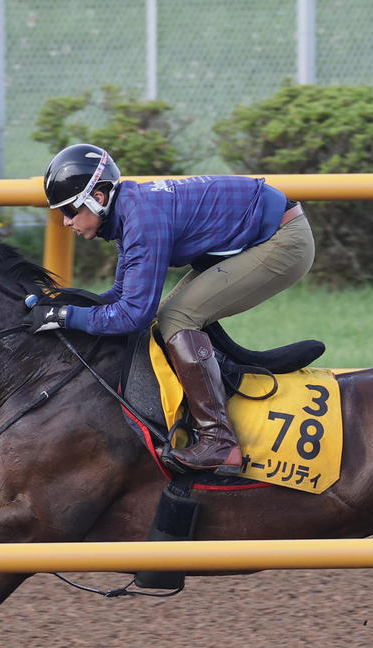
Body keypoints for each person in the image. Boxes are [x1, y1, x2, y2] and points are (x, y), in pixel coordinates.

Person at [25, 142, 315, 476]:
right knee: (167, 321)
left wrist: (63, 317)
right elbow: (120, 295)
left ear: (98, 199)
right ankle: (207, 411)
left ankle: (220, 441)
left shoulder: (141, 219)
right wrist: (62, 307)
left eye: (69, 210)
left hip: (284, 240)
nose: (64, 222)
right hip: (263, 233)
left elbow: (133, 315)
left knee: (177, 317)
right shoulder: (129, 211)